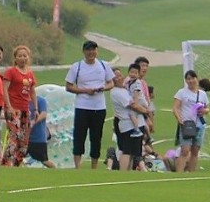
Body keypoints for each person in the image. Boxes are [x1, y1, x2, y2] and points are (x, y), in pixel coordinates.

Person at [65, 40, 116, 168]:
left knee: (96, 137)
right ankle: (77, 165)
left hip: (99, 107)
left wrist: (102, 88)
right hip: (82, 106)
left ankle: (94, 166)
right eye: (88, 50)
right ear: (84, 51)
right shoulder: (77, 67)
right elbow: (68, 86)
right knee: (79, 136)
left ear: (97, 51)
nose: (91, 52)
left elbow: (111, 83)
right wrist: (85, 91)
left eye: (93, 50)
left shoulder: (104, 65)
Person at [0, 44, 36, 166]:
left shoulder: (30, 74)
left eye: (25, 56)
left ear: (28, 57)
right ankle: (6, 162)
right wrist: (8, 106)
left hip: (25, 108)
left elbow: (32, 90)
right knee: (14, 136)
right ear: (15, 58)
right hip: (14, 107)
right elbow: (4, 89)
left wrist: (35, 108)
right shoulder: (11, 72)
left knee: (24, 138)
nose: (22, 58)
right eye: (20, 56)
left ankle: (17, 162)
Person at [111, 64, 148, 171]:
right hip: (128, 124)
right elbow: (133, 105)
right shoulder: (117, 92)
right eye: (115, 77)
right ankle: (123, 171)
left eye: (119, 75)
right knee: (127, 150)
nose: (119, 78)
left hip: (135, 122)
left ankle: (129, 170)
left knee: (134, 151)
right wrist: (146, 111)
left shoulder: (125, 88)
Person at [173, 70, 209, 172]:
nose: (191, 81)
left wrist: (204, 111)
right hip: (187, 124)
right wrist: (179, 119)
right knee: (185, 150)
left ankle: (191, 172)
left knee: (195, 151)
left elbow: (207, 108)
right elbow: (175, 107)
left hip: (199, 125)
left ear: (196, 79)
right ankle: (179, 173)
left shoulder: (202, 94)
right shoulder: (182, 92)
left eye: (192, 78)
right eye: (188, 79)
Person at [27, 93, 54, 167]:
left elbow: (43, 114)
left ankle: (56, 172)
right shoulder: (21, 100)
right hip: (24, 136)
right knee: (17, 158)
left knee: (44, 160)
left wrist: (33, 122)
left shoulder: (40, 100)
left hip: (37, 137)